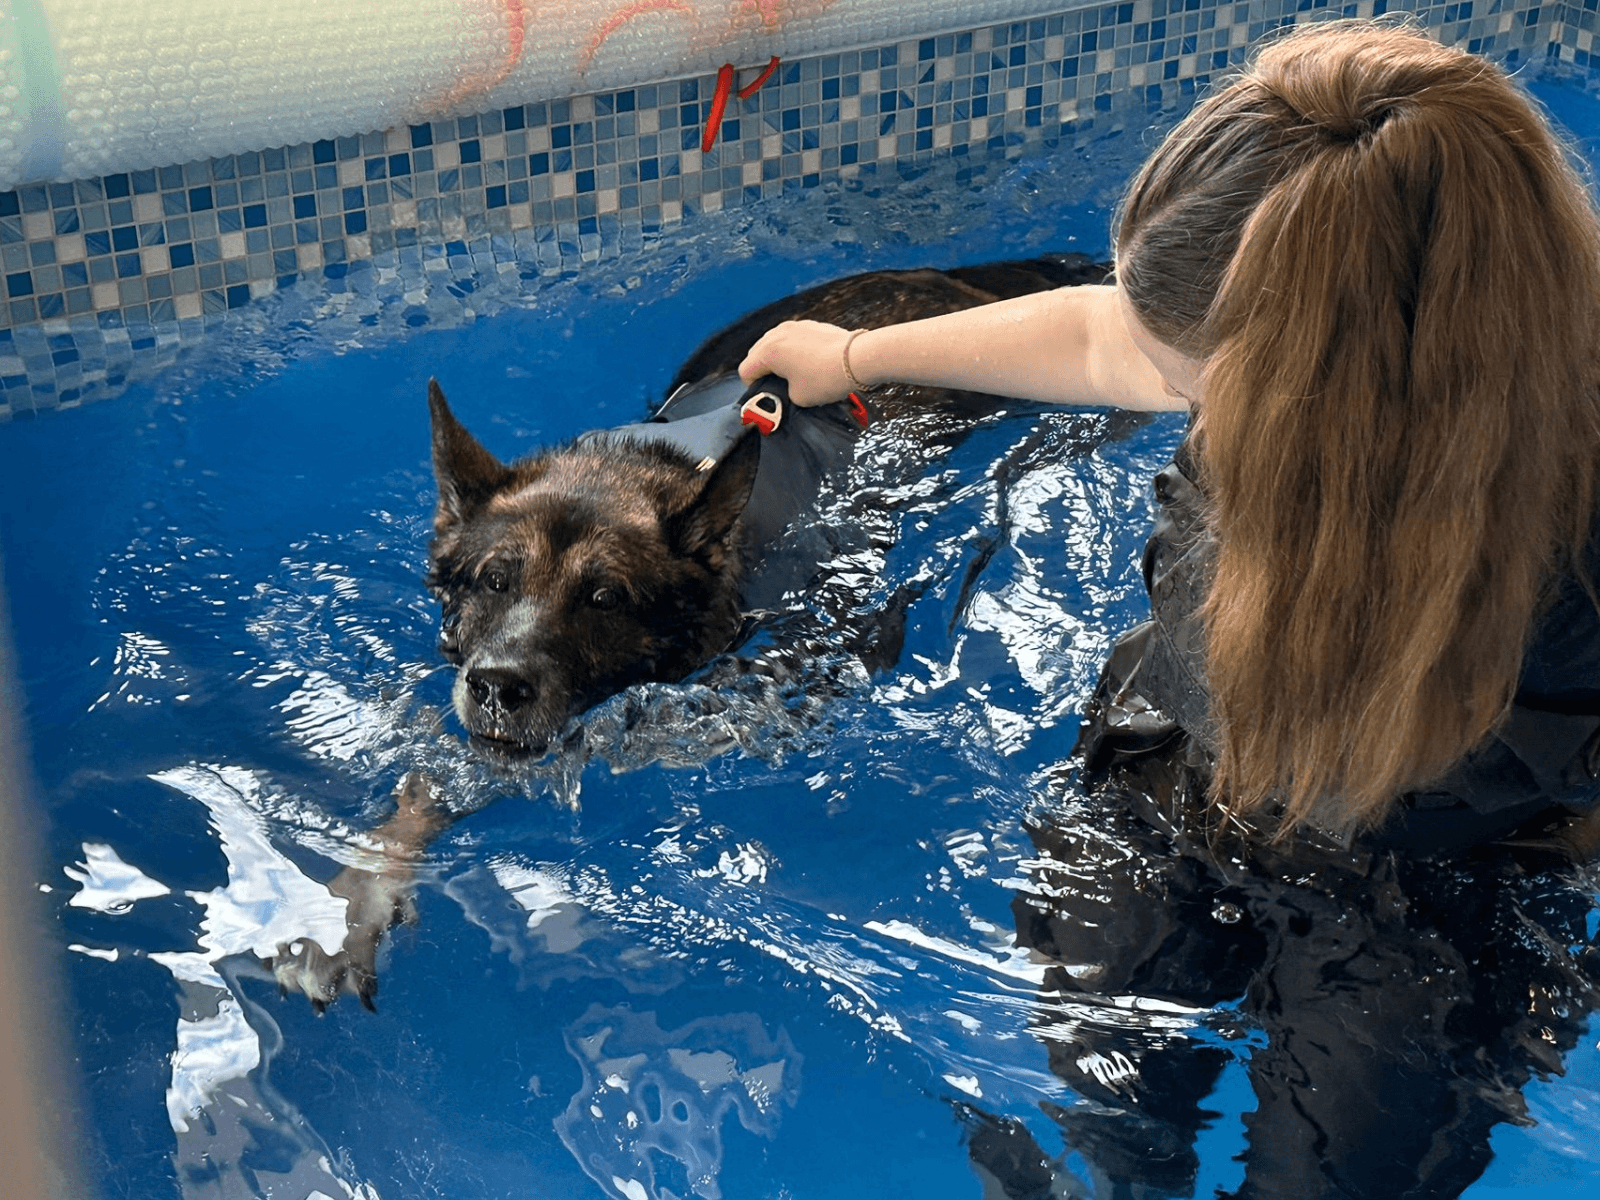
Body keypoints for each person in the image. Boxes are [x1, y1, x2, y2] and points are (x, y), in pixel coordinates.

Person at [738, 18, 1600, 855]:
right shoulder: (1421, 325)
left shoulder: (1571, 582)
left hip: (1424, 856)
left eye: (1189, 387)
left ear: (1321, 393)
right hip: (1206, 756)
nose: (1183, 408)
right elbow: (1099, 339)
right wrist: (855, 357)